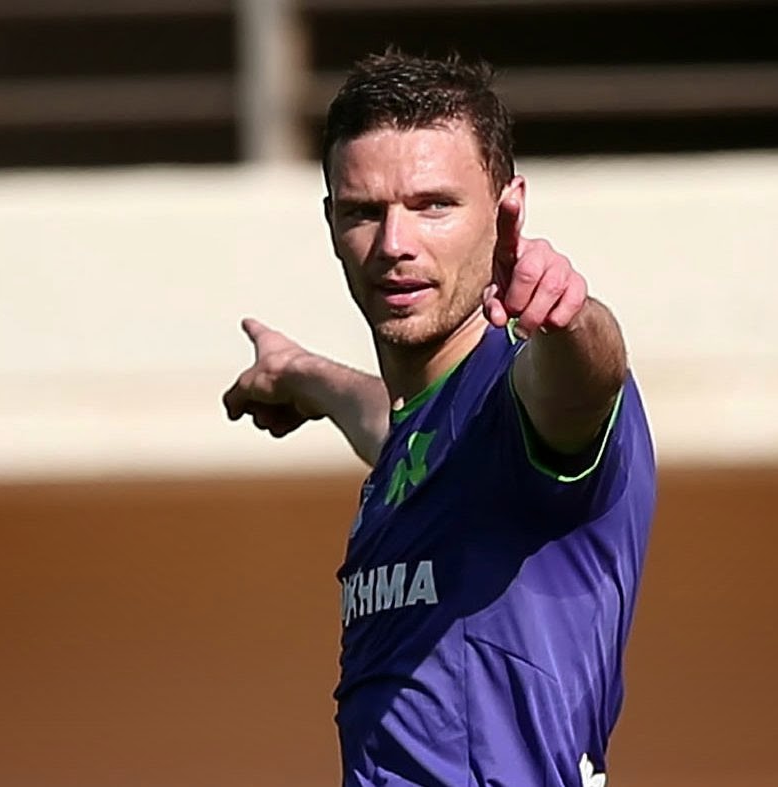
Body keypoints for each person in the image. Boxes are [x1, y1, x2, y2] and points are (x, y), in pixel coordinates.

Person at [223, 51, 655, 787]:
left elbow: (588, 381)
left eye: (434, 206)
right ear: (331, 222)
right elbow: (401, 434)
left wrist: (570, 316)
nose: (395, 244)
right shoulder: (434, 432)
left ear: (506, 208)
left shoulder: (528, 392)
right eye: (364, 211)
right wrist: (304, 376)